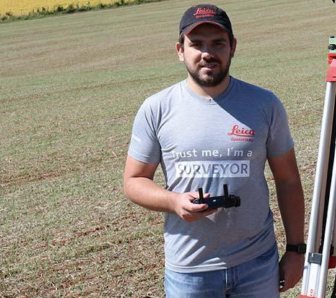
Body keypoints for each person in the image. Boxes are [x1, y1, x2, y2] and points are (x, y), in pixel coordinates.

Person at [123, 4, 305, 297]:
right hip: (190, 272)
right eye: (197, 44)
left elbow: (288, 180)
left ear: (233, 47)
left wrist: (296, 250)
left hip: (257, 264)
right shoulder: (156, 108)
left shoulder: (265, 104)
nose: (207, 52)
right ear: (180, 50)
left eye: (218, 43)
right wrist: (174, 202)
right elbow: (133, 181)